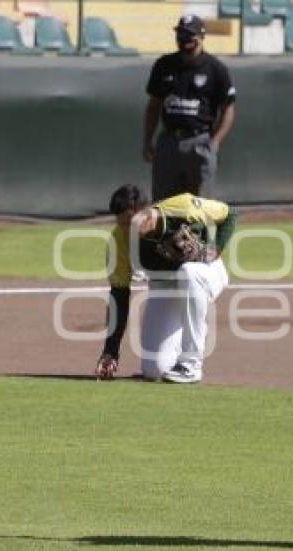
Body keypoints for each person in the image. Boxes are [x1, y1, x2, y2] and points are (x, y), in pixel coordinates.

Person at [94, 184, 238, 383]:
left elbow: (230, 214)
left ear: (146, 212)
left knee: (189, 272)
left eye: (129, 222)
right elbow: (119, 295)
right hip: (164, 287)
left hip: (205, 272)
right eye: (120, 223)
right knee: (154, 370)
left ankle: (191, 364)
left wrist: (215, 250)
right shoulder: (119, 239)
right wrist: (110, 351)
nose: (126, 230)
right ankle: (177, 349)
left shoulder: (183, 207)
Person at [142, 15, 236, 201]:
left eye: (189, 36)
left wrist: (215, 141)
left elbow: (228, 109)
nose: (184, 40)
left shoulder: (216, 69)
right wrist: (147, 140)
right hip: (169, 140)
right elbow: (153, 106)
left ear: (201, 37)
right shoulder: (164, 65)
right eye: (181, 35)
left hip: (199, 140)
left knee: (199, 207)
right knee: (163, 205)